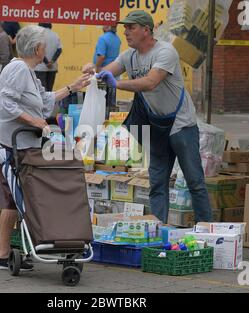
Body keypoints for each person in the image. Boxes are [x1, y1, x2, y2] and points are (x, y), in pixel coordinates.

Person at [83, 11, 212, 224]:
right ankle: (157, 230)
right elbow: (107, 72)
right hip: (157, 126)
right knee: (157, 183)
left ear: (146, 29)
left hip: (181, 124)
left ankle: (208, 230)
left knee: (194, 181)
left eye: (131, 27)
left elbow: (151, 82)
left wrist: (118, 83)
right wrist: (94, 72)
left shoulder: (165, 52)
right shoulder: (129, 56)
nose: (125, 32)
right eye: (125, 28)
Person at [0, 25, 91, 271]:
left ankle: (9, 251)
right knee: (12, 198)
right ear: (37, 48)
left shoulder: (28, 71)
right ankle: (1, 253)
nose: (46, 48)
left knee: (17, 198)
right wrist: (35, 121)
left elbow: (44, 102)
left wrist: (73, 86)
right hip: (14, 143)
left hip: (27, 143)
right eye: (44, 45)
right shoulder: (18, 69)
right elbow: (6, 104)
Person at [34, 23, 62, 91]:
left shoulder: (38, 35)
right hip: (52, 67)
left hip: (40, 67)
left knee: (41, 91)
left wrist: (46, 62)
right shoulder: (55, 35)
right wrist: (51, 62)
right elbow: (59, 50)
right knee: (49, 90)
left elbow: (38, 50)